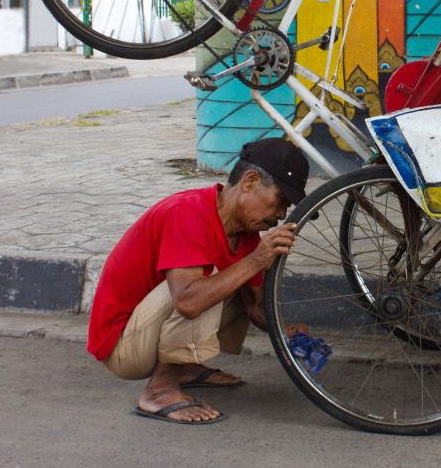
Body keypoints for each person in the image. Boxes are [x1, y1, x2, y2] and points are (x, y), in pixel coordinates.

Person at [87, 138, 309, 424]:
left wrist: (288, 332)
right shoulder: (188, 212)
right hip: (121, 347)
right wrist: (255, 260)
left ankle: (183, 366)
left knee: (233, 283)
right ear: (250, 181)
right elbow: (188, 302)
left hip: (148, 332)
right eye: (280, 201)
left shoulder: (248, 237)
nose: (281, 215)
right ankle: (159, 390)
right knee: (207, 282)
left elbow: (255, 307)